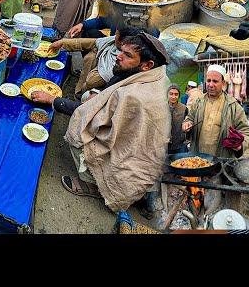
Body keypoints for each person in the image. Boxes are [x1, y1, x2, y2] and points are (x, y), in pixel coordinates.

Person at [58, 32, 172, 212]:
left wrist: (54, 101)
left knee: (78, 130)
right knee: (89, 98)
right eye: (122, 51)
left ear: (147, 65)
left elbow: (91, 120)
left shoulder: (133, 96)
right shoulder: (158, 75)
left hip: (136, 167)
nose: (118, 56)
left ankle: (98, 187)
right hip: (150, 158)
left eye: (128, 55)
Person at [42, 27, 136, 100]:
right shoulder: (112, 42)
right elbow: (91, 42)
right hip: (99, 73)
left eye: (116, 36)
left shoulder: (125, 61)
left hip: (108, 91)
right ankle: (79, 92)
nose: (114, 38)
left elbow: (93, 80)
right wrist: (62, 43)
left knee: (90, 79)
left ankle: (82, 96)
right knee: (90, 57)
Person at [183, 64, 249, 158]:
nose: (210, 84)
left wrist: (240, 146)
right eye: (208, 80)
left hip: (221, 160)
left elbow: (245, 132)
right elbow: (189, 118)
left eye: (215, 81)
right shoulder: (198, 102)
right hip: (197, 158)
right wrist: (187, 123)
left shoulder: (233, 106)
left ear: (223, 83)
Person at [167, 84, 189, 154]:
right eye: (171, 94)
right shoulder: (162, 108)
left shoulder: (184, 108)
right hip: (165, 145)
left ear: (179, 95)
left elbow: (188, 122)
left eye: (176, 94)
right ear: (167, 94)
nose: (173, 97)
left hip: (180, 145)